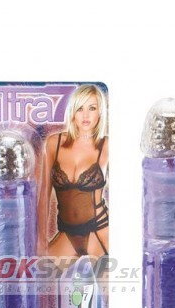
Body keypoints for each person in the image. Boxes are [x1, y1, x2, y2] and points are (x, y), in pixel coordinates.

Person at [40, 84, 109, 258]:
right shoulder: (54, 144)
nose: (85, 115)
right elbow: (43, 196)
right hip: (67, 233)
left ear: (100, 112)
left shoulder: (107, 146)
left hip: (100, 231)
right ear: (72, 112)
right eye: (80, 108)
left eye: (92, 108)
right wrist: (40, 236)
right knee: (38, 273)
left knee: (117, 276)